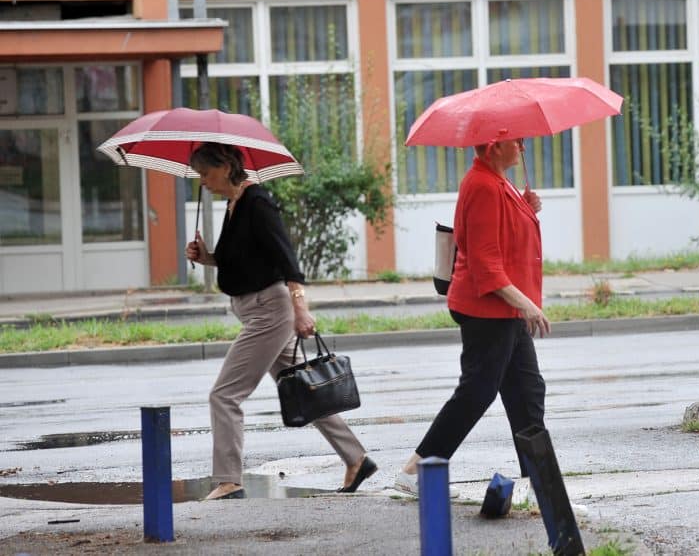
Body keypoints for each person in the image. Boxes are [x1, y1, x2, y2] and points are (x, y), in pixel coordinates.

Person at [185, 142, 377, 500]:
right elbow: (242, 261)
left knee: (224, 395)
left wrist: (301, 307)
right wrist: (207, 256)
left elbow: (288, 259)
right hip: (257, 310)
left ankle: (229, 481)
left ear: (225, 167)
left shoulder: (257, 202)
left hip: (269, 312)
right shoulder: (234, 205)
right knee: (303, 389)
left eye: (206, 173)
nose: (203, 182)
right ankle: (356, 458)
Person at [394, 137, 550, 496]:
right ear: (494, 147)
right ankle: (415, 471)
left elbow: (504, 236)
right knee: (477, 392)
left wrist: (526, 208)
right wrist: (526, 303)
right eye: (516, 141)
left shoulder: (498, 182)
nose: (523, 147)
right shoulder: (482, 185)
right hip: (487, 309)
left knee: (527, 394)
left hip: (505, 308)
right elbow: (484, 262)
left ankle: (542, 490)